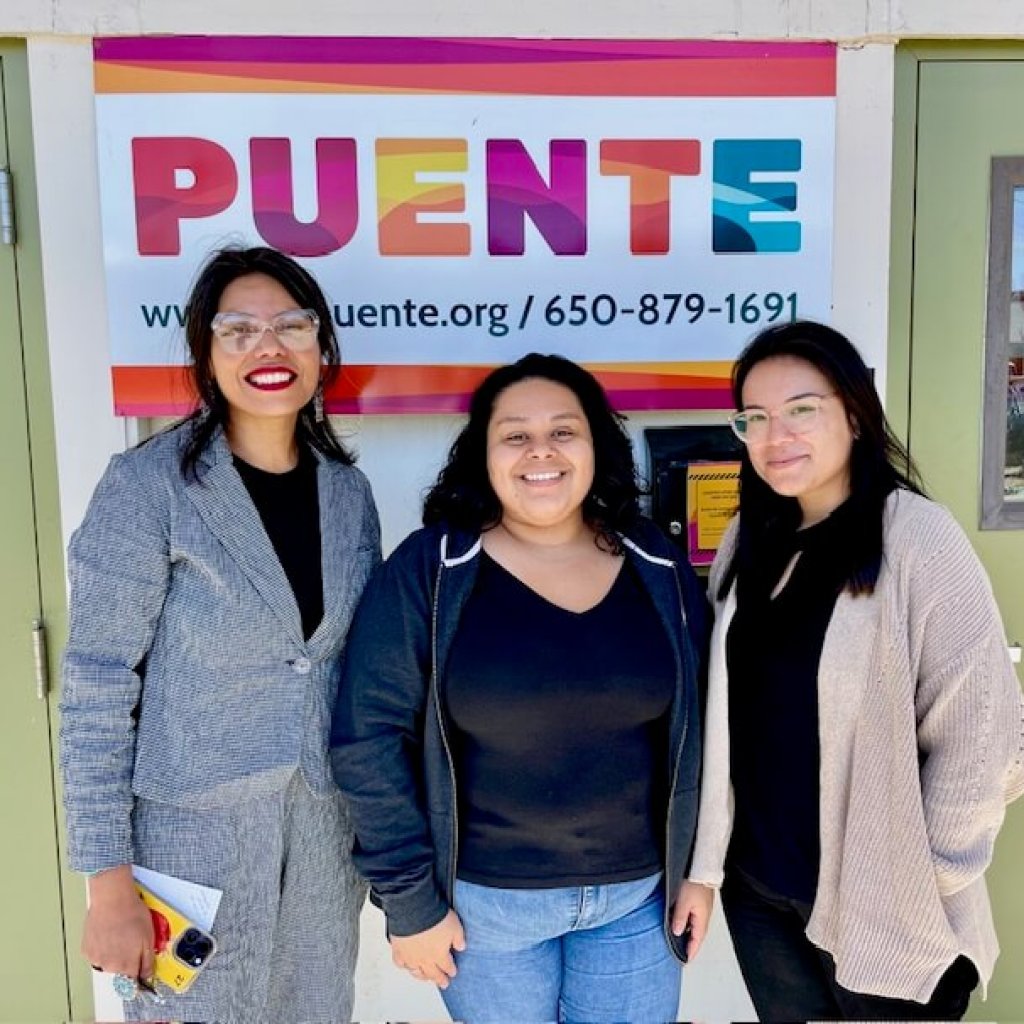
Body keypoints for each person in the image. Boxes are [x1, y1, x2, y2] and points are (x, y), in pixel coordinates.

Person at [331, 353, 709, 1023]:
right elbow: (367, 741)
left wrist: (702, 872)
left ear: (596, 447)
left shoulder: (655, 562)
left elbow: (710, 725)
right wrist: (410, 902)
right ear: (484, 452)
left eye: (564, 431)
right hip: (484, 910)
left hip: (638, 901)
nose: (542, 452)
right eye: (515, 435)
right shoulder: (434, 568)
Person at [60, 245, 380, 1022]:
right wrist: (106, 878)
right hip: (185, 849)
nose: (267, 347)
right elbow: (97, 686)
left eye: (290, 326)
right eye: (237, 330)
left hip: (318, 840)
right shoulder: (148, 487)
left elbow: (341, 670)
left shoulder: (349, 493)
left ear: (321, 346)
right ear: (206, 354)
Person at [677, 319, 1024, 1021]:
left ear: (856, 416)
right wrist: (708, 865)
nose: (777, 436)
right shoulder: (752, 537)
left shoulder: (916, 537)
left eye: (803, 410)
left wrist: (924, 876)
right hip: (761, 890)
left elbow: (983, 731)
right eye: (756, 418)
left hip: (885, 906)